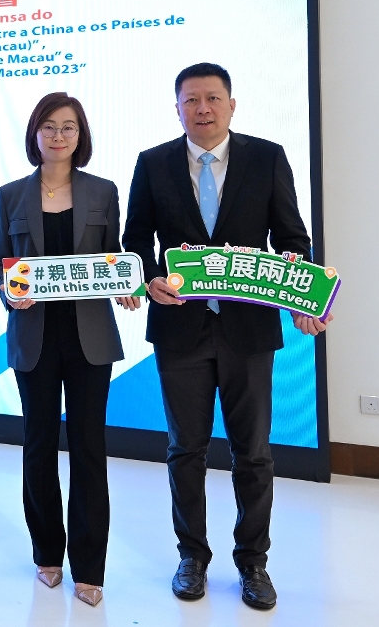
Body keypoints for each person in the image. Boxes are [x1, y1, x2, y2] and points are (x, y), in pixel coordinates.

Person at [121, 63, 330, 611]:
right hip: (180, 328)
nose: (203, 109)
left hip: (248, 329)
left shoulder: (267, 157)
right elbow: (135, 240)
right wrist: (149, 278)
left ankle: (253, 562)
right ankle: (192, 556)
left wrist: (299, 285)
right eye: (191, 100)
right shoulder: (153, 163)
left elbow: (292, 239)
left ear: (231, 105)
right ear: (177, 109)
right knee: (184, 450)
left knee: (253, 453)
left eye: (213, 98)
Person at [0, 93, 140, 607]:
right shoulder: (11, 194)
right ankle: (47, 554)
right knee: (38, 445)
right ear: (35, 133)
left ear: (81, 135)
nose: (58, 136)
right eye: (49, 126)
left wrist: (126, 284)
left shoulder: (103, 191)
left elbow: (115, 257)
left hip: (89, 338)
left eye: (68, 127)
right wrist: (9, 290)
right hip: (33, 337)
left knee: (89, 449)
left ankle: (90, 567)